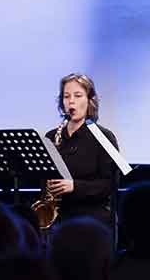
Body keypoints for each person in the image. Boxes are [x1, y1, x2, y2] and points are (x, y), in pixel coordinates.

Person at [41, 73, 121, 228]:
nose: (71, 101)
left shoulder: (104, 137)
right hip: (59, 217)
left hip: (93, 219)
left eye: (78, 96)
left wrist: (75, 186)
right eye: (66, 96)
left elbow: (109, 184)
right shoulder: (51, 137)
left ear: (90, 100)